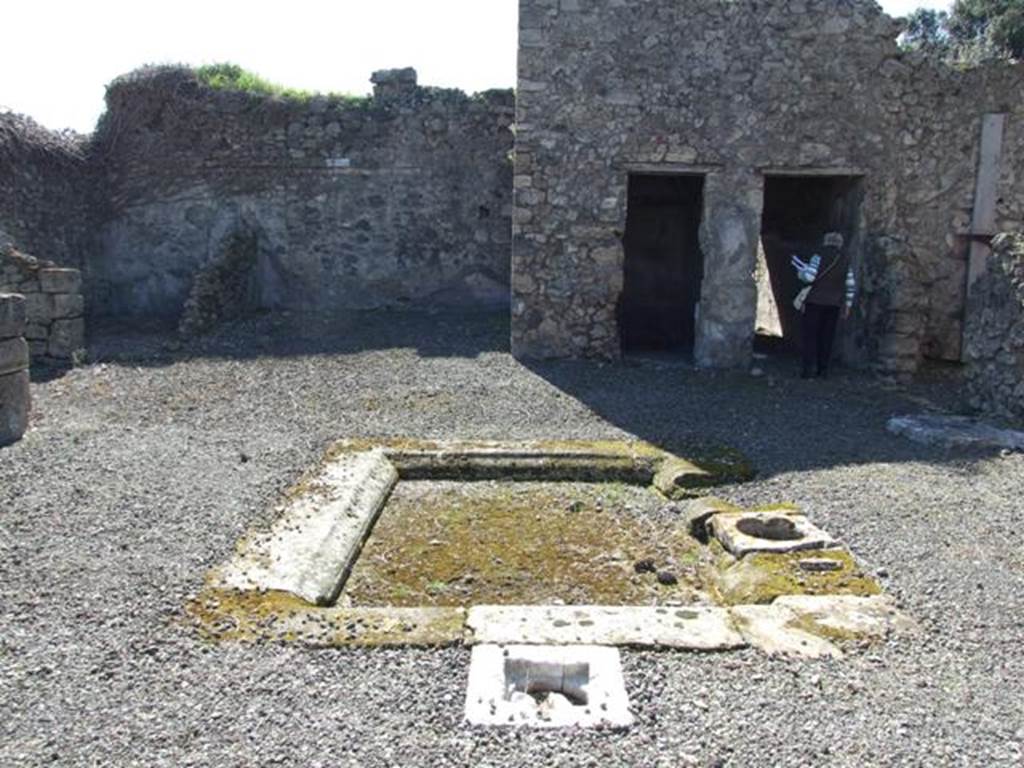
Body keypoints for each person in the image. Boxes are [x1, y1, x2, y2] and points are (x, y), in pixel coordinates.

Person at [789, 232, 856, 379]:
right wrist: (848, 305)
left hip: (814, 301)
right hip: (834, 304)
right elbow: (851, 284)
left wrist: (801, 272)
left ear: (825, 241)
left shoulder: (818, 255)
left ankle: (807, 370)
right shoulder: (845, 259)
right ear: (840, 243)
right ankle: (823, 370)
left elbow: (810, 277)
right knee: (827, 337)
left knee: (810, 336)